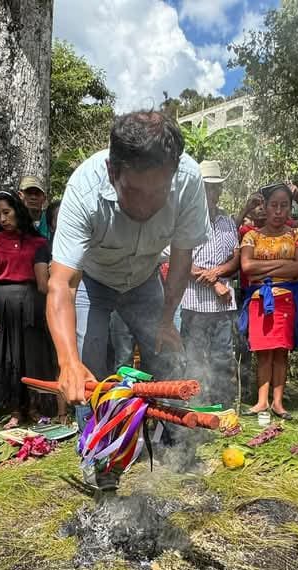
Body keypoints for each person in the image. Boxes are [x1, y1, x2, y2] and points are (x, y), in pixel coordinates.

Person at [48, 111, 209, 410]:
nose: (146, 205)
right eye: (134, 191)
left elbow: (181, 256)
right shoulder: (84, 190)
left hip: (145, 280)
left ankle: (168, 447)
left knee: (167, 358)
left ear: (173, 173)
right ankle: (97, 450)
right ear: (112, 172)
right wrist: (68, 361)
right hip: (92, 283)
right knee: (87, 367)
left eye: (159, 191)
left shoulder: (188, 181)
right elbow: (62, 283)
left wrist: (167, 318)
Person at [0, 191, 61, 427]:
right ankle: (16, 410)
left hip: (33, 301)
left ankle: (37, 407)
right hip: (4, 302)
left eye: (6, 212)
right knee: (10, 356)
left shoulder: (38, 242)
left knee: (35, 355)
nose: (2, 219)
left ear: (18, 210)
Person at [239, 183, 298, 419]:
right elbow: (247, 267)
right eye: (274, 206)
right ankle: (261, 402)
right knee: (262, 352)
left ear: (290, 208)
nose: (278, 211)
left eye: (284, 206)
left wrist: (264, 271)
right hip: (259, 299)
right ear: (265, 207)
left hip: (286, 300)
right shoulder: (251, 236)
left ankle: (278, 403)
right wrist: (283, 266)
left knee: (281, 352)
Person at [179, 159, 240, 408]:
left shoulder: (227, 222)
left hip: (223, 306)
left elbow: (236, 259)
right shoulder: (185, 221)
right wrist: (214, 282)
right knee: (194, 359)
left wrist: (218, 273)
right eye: (206, 188)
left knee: (223, 358)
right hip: (194, 304)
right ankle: (196, 407)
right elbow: (181, 264)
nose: (210, 193)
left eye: (214, 188)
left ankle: (223, 408)